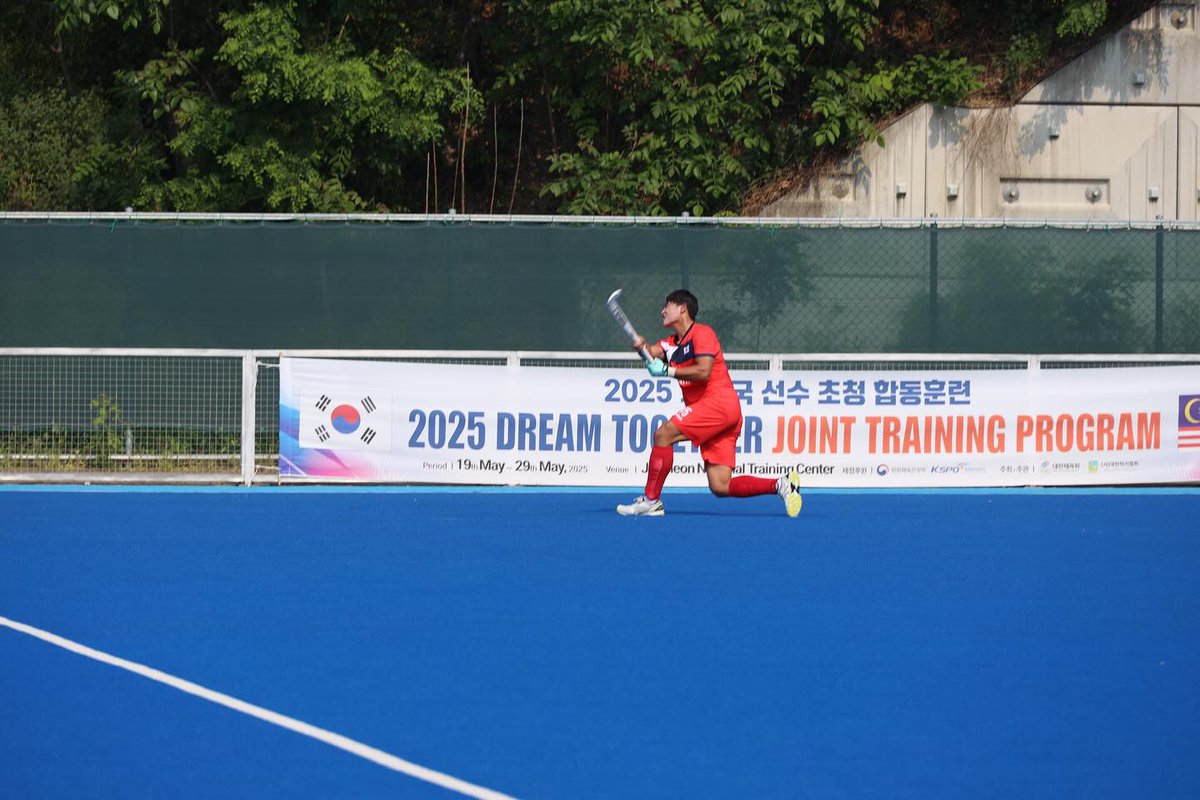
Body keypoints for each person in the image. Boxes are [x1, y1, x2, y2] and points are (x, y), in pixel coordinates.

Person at [616, 289, 802, 518]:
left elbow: (703, 372)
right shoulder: (669, 344)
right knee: (720, 485)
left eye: (667, 305)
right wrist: (641, 348)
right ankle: (781, 485)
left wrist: (668, 370)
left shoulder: (702, 333)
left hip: (719, 404)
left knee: (663, 434)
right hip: (720, 414)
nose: (662, 311)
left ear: (682, 308)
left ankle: (651, 501)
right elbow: (652, 353)